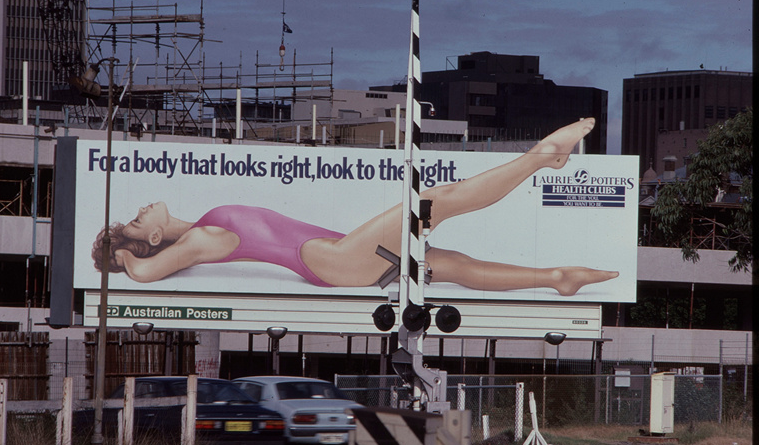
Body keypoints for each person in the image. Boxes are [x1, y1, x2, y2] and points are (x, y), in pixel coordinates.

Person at [92, 117, 618, 295]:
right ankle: (542, 156)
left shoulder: (203, 226)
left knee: (452, 264)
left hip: (338, 260)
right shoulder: (201, 240)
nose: (142, 209)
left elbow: (155, 254)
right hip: (335, 261)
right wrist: (126, 259)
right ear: (155, 238)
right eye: (139, 221)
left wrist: (126, 246)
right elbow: (147, 271)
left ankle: (556, 277)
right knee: (434, 200)